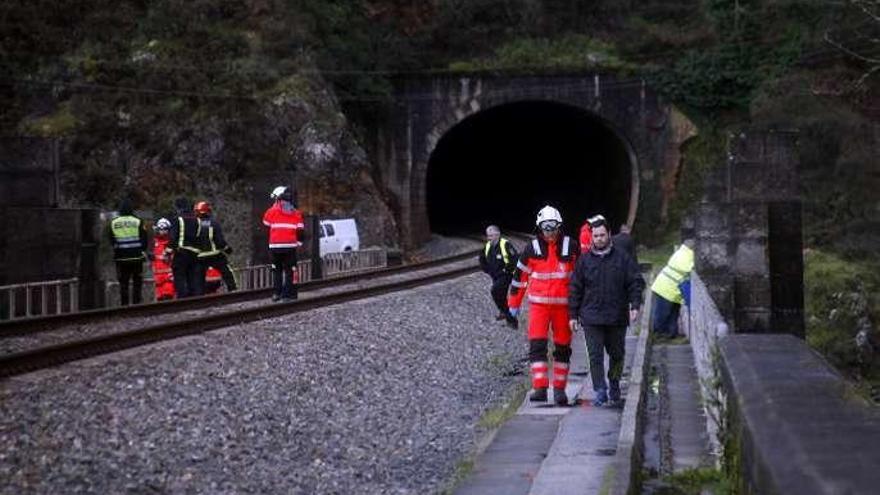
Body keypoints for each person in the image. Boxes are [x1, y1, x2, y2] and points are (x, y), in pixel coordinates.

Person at [568, 217, 645, 407]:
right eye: (596, 236)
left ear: (609, 235)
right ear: (591, 237)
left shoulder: (622, 258)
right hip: (591, 317)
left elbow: (635, 281)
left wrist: (635, 305)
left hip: (616, 316)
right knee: (595, 356)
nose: (599, 239)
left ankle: (614, 382)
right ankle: (600, 390)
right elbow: (575, 288)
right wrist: (573, 315)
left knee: (617, 354)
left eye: (602, 235)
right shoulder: (584, 261)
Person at [508, 205, 580, 406]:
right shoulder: (531, 249)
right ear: (540, 228)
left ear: (559, 226)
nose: (550, 232)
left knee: (563, 348)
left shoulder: (571, 247)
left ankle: (559, 390)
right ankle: (539, 387)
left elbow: (581, 278)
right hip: (539, 307)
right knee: (537, 346)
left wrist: (581, 305)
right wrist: (512, 306)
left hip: (563, 308)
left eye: (553, 227)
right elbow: (519, 279)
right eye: (546, 228)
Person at [262, 186, 305, 301]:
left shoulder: (271, 211)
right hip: (290, 247)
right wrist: (299, 243)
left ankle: (277, 293)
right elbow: (300, 231)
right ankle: (288, 295)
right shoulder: (296, 213)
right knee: (290, 271)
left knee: (277, 270)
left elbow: (265, 223)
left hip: (275, 247)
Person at [650, 239, 694, 339]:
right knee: (663, 314)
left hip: (669, 289)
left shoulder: (681, 252)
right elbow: (689, 268)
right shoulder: (687, 256)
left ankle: (671, 333)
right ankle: (659, 334)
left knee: (673, 313)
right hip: (666, 290)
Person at [478, 225, 519, 328]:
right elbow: (481, 258)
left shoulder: (505, 244)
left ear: (498, 234)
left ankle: (510, 317)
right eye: (488, 236)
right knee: (501, 296)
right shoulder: (488, 246)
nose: (489, 238)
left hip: (505, 276)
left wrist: (506, 270)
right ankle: (506, 314)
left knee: (495, 291)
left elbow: (515, 259)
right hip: (495, 276)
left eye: (491, 235)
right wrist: (487, 270)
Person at [108, 199, 148, 305]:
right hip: (137, 258)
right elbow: (144, 239)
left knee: (123, 283)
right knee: (137, 282)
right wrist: (142, 250)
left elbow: (111, 240)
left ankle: (124, 305)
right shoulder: (138, 221)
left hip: (121, 258)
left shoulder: (114, 222)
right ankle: (136, 304)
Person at [193, 201, 237, 293]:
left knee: (198, 277)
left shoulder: (193, 224)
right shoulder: (213, 223)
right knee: (227, 272)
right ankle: (233, 290)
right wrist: (228, 249)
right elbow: (219, 241)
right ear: (208, 211)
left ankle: (198, 296)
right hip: (215, 254)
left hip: (199, 256)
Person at [168, 197, 203, 298]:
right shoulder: (198, 220)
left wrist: (169, 251)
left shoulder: (178, 219)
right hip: (195, 254)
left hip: (181, 253)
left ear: (178, 207)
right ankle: (193, 300)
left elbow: (173, 237)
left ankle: (182, 300)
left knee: (179, 277)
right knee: (192, 278)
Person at [151, 218, 176, 301]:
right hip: (158, 277)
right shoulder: (154, 243)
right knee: (160, 299)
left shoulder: (172, 243)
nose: (162, 232)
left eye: (164, 229)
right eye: (160, 229)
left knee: (168, 296)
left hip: (169, 276)